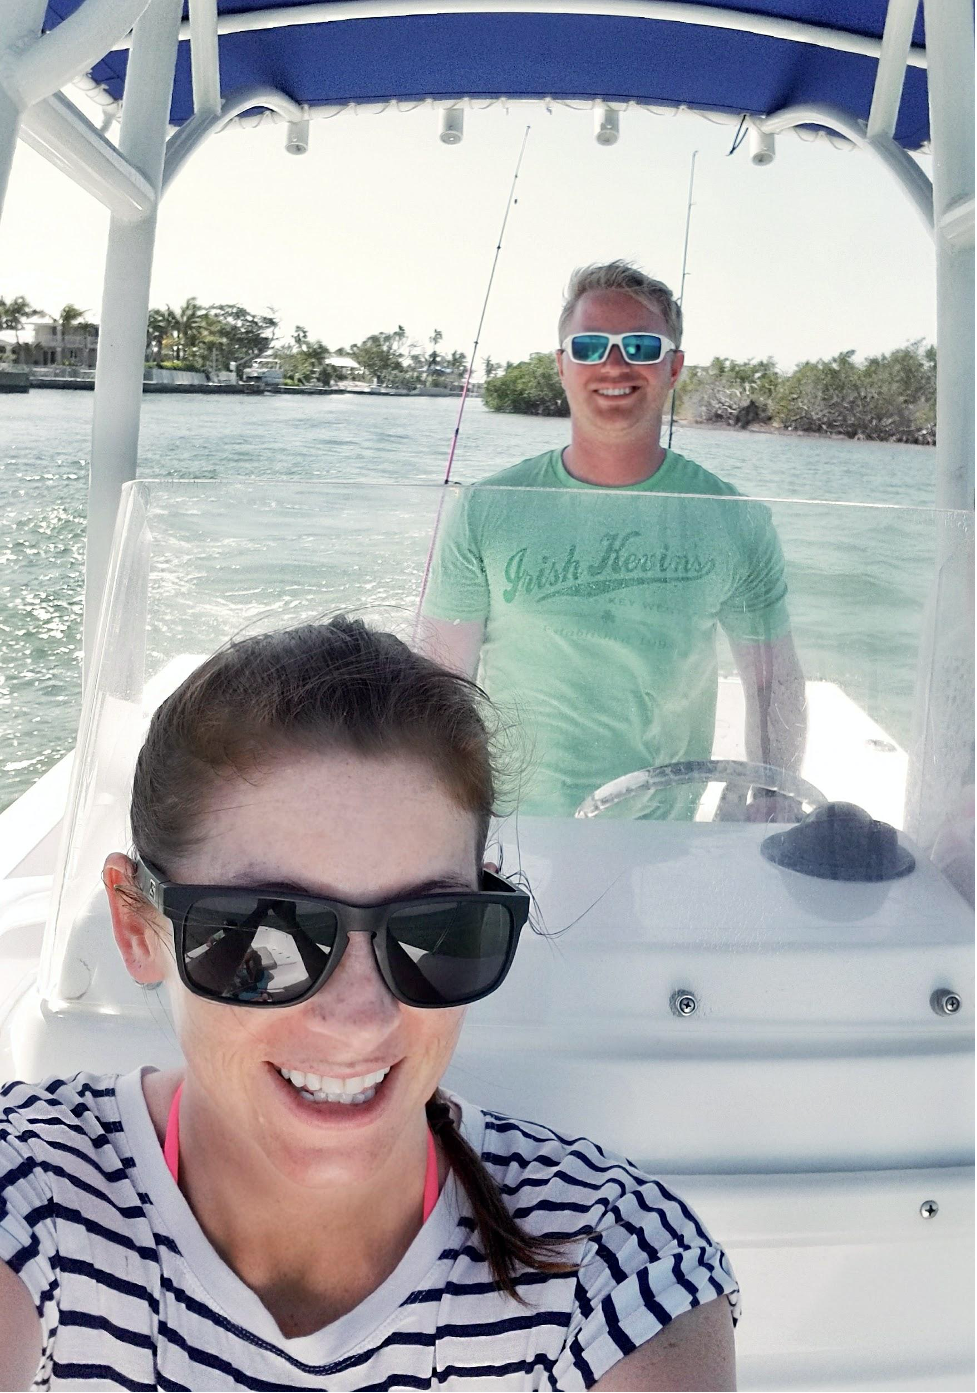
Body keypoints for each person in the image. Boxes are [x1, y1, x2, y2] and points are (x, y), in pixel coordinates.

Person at [0, 619, 737, 1391]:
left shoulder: (610, 1265)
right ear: (135, 925)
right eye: (263, 936)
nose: (361, 1017)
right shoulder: (33, 1193)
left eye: (433, 930)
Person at [421, 261, 807, 820]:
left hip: (663, 833)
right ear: (562, 366)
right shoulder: (485, 508)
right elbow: (443, 679)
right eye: (590, 346)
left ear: (673, 368)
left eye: (643, 346)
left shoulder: (736, 519)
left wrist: (776, 794)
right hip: (515, 834)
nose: (614, 363)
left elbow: (772, 681)